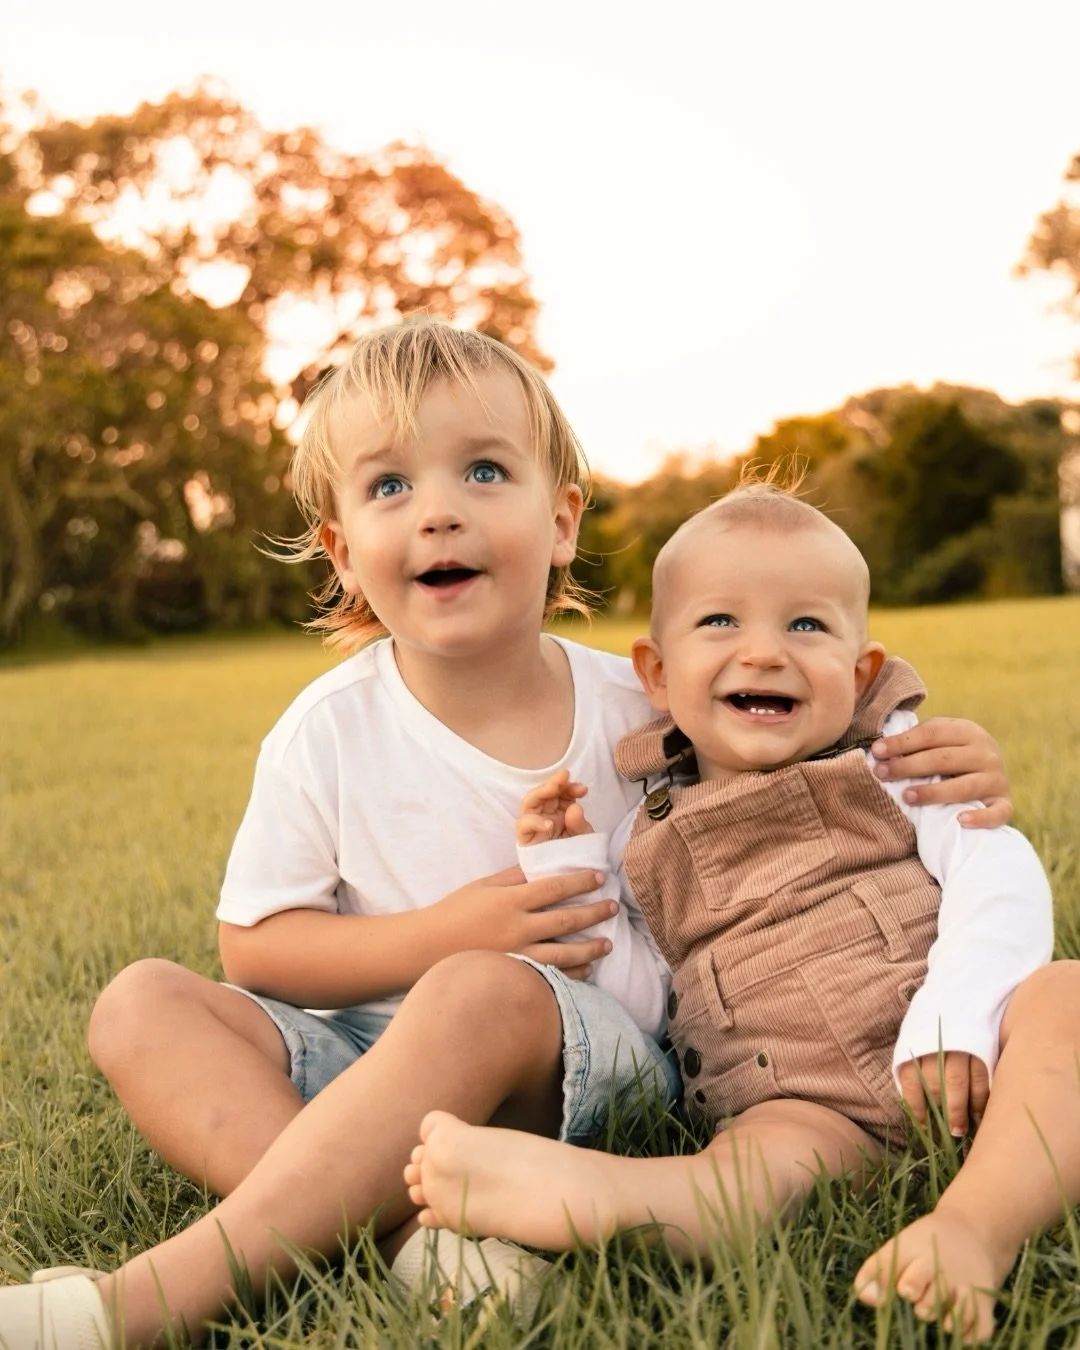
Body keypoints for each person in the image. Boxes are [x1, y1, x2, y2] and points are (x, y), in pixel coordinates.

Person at [0, 325, 1013, 1350]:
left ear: (562, 521)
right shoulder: (329, 731)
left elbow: (807, 713)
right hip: (364, 1057)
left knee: (479, 986)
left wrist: (941, 748)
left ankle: (146, 1302)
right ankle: (404, 1237)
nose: (439, 510)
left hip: (579, 1064)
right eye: (388, 487)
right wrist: (439, 929)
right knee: (139, 1006)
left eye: (484, 470)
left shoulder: (641, 701)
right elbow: (256, 949)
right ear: (346, 550)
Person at [404, 479, 1076, 1344]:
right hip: (796, 1101)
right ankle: (593, 1196)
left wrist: (961, 1023)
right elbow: (643, 997)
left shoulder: (895, 770)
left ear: (862, 670)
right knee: (743, 1184)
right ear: (656, 673)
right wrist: (565, 863)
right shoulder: (642, 841)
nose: (763, 654)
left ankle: (975, 1228)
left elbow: (1000, 878)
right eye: (721, 622)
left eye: (806, 625)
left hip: (969, 1056)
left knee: (1067, 997)